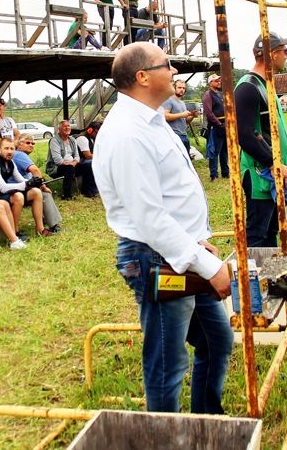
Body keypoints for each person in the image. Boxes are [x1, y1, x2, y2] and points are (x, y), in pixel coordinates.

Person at [93, 41, 232, 414]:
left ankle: (206, 423)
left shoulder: (152, 121)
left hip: (181, 252)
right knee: (168, 365)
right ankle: (166, 435)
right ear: (142, 77)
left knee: (216, 341)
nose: (174, 72)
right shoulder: (126, 133)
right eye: (166, 65)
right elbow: (149, 217)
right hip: (157, 258)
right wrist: (207, 266)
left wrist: (198, 242)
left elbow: (170, 194)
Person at [235, 32, 287, 248]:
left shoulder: (265, 85)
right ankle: (253, 280)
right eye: (284, 51)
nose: (286, 56)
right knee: (258, 235)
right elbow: (243, 133)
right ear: (272, 54)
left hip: (273, 171)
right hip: (261, 173)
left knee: (271, 231)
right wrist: (272, 162)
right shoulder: (248, 87)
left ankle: (268, 281)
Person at [0, 138, 52, 237]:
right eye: (6, 148)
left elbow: (21, 180)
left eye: (12, 149)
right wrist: (27, 184)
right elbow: (2, 187)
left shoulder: (10, 162)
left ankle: (40, 229)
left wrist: (33, 183)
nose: (9, 151)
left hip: (3, 194)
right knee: (18, 196)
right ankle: (15, 232)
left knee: (36, 192)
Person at [11, 133, 63, 234]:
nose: (31, 145)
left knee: (39, 193)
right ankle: (53, 225)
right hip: (16, 191)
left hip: (19, 189)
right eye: (27, 143)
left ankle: (43, 222)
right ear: (19, 144)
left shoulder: (18, 154)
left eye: (33, 143)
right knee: (45, 194)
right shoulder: (20, 155)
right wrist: (43, 187)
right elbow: (35, 171)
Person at [46, 120, 95, 200]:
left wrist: (74, 163)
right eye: (64, 126)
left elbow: (77, 156)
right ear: (59, 128)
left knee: (88, 166)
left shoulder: (72, 140)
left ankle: (86, 191)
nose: (67, 128)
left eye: (68, 126)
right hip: (57, 167)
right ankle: (67, 195)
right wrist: (70, 166)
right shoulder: (54, 141)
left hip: (72, 165)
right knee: (69, 169)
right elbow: (58, 160)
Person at [202, 74, 229, 181]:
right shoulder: (208, 95)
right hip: (215, 127)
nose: (219, 82)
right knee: (214, 151)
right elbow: (208, 112)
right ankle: (214, 175)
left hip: (224, 125)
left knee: (224, 151)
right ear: (210, 83)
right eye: (216, 80)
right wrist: (218, 123)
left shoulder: (221, 95)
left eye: (219, 80)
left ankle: (225, 172)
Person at [162, 80, 200, 154]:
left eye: (183, 88)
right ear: (174, 88)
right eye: (179, 87)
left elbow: (185, 121)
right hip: (174, 135)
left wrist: (192, 115)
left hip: (184, 134)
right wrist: (182, 114)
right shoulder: (168, 100)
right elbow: (165, 116)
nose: (182, 90)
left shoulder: (182, 103)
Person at [75, 121, 101, 196]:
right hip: (81, 161)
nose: (97, 134)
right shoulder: (82, 138)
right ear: (90, 130)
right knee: (94, 163)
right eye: (96, 132)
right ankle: (93, 189)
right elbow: (88, 156)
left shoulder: (93, 138)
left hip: (89, 160)